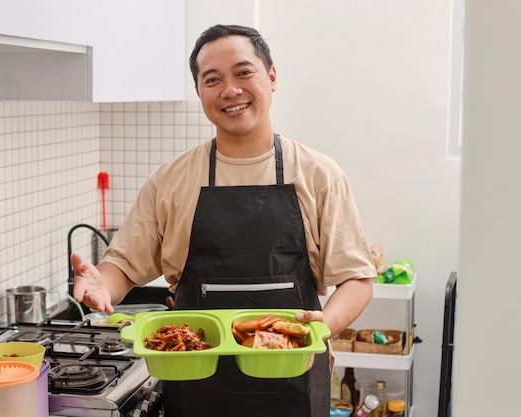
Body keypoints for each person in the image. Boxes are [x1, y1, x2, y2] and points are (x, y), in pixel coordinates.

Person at [72, 24, 376, 417]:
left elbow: (357, 279)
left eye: (243, 72)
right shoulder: (171, 179)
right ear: (199, 92)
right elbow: (125, 266)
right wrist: (103, 284)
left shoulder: (318, 175)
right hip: (196, 381)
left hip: (292, 377)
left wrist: (323, 324)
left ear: (271, 77)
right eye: (212, 79)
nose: (230, 90)